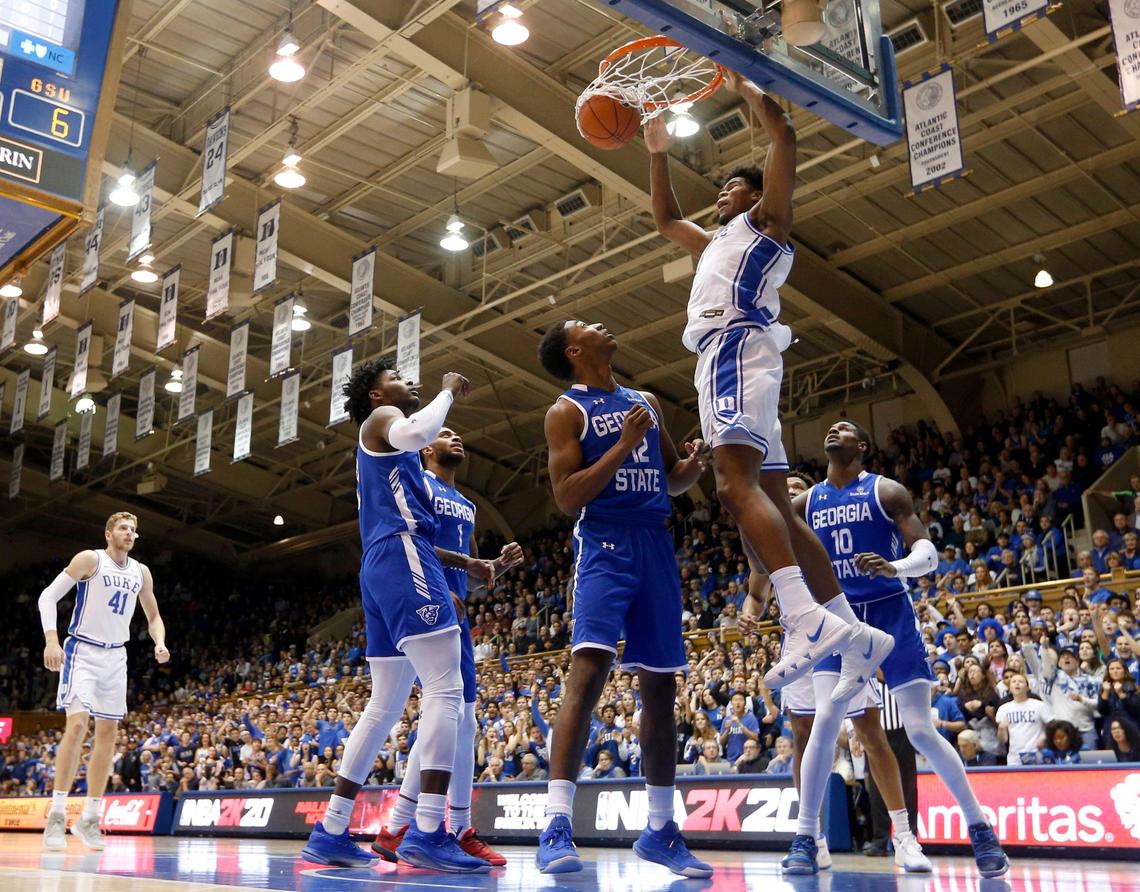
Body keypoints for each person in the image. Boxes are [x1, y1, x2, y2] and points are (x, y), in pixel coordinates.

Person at [646, 73, 892, 696]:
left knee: (731, 488)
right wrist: (655, 153)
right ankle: (851, 630)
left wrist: (745, 83)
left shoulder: (765, 224)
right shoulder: (713, 243)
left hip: (735, 348)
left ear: (756, 197)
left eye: (732, 186)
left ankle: (804, 616)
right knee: (778, 506)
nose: (721, 193)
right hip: (728, 358)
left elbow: (783, 134)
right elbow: (667, 218)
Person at [782, 420, 1008, 877]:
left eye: (845, 428)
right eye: (831, 427)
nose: (835, 429)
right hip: (835, 619)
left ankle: (980, 828)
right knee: (826, 719)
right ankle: (806, 836)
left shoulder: (886, 492)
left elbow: (928, 552)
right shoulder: (806, 502)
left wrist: (894, 567)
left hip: (889, 611)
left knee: (921, 729)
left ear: (861, 446)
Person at [534, 319, 713, 878]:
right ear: (575, 349)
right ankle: (556, 824)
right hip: (606, 544)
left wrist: (694, 464)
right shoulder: (566, 411)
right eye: (587, 325)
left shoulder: (645, 400)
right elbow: (567, 497)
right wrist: (624, 444)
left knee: (660, 687)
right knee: (588, 675)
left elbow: (672, 479)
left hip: (655, 542)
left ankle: (661, 830)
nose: (602, 324)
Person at [300, 363, 490, 874]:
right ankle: (429, 830)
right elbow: (419, 430)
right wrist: (450, 390)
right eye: (396, 375)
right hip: (402, 555)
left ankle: (332, 828)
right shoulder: (384, 417)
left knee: (383, 706)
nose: (408, 380)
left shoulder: (383, 454)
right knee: (446, 690)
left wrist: (465, 562)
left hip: (384, 562)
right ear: (376, 392)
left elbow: (414, 519)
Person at [742, 474, 931, 872]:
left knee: (870, 732)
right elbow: (756, 591)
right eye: (785, 489)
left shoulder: (825, 532)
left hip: (842, 636)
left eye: (796, 490)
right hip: (799, 647)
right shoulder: (773, 543)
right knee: (803, 737)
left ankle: (903, 834)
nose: (789, 494)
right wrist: (749, 613)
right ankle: (813, 837)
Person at [371, 427, 522, 867]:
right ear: (425, 447)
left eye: (459, 433)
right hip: (427, 601)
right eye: (445, 433)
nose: (456, 437)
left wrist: (497, 567)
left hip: (455, 609)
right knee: (454, 713)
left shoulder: (469, 505)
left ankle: (403, 825)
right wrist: (439, 588)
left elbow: (472, 576)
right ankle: (447, 827)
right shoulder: (417, 482)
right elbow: (410, 544)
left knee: (458, 718)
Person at [39, 512, 169, 851]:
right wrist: (51, 640)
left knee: (108, 735)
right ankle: (56, 814)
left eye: (134, 530)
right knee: (78, 726)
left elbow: (153, 615)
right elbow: (47, 597)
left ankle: (90, 818)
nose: (130, 534)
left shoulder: (141, 572)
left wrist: (159, 641)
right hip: (82, 650)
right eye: (124, 528)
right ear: (109, 534)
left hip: (116, 657)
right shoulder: (89, 560)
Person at [996, 673, 1051, 765]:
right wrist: (1001, 729)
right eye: (1014, 682)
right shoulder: (1003, 708)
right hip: (1014, 757)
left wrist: (1044, 737)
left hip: (1036, 753)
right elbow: (1003, 740)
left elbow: (1052, 725)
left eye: (1021, 681)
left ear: (1027, 687)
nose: (1017, 684)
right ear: (1009, 688)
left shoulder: (1039, 705)